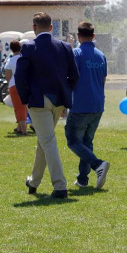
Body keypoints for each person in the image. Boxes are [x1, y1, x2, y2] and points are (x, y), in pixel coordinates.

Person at [15, 12, 79, 199]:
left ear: (34, 28)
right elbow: (74, 76)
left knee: (47, 141)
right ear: (51, 27)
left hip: (38, 101)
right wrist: (65, 94)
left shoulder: (28, 46)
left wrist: (25, 98)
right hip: (58, 101)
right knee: (44, 140)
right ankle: (34, 181)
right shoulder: (65, 47)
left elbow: (20, 76)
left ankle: (60, 186)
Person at [66, 21, 110, 189]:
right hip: (97, 105)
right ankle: (83, 180)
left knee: (72, 140)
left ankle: (98, 164)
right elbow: (103, 81)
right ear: (93, 36)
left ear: (78, 36)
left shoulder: (76, 54)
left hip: (80, 105)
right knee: (86, 142)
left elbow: (69, 79)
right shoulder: (101, 55)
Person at [3, 40, 28, 136]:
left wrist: (9, 84)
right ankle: (20, 128)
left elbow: (8, 75)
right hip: (25, 84)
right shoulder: (24, 58)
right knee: (24, 107)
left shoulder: (10, 60)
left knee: (18, 108)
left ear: (11, 49)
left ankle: (23, 130)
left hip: (14, 85)